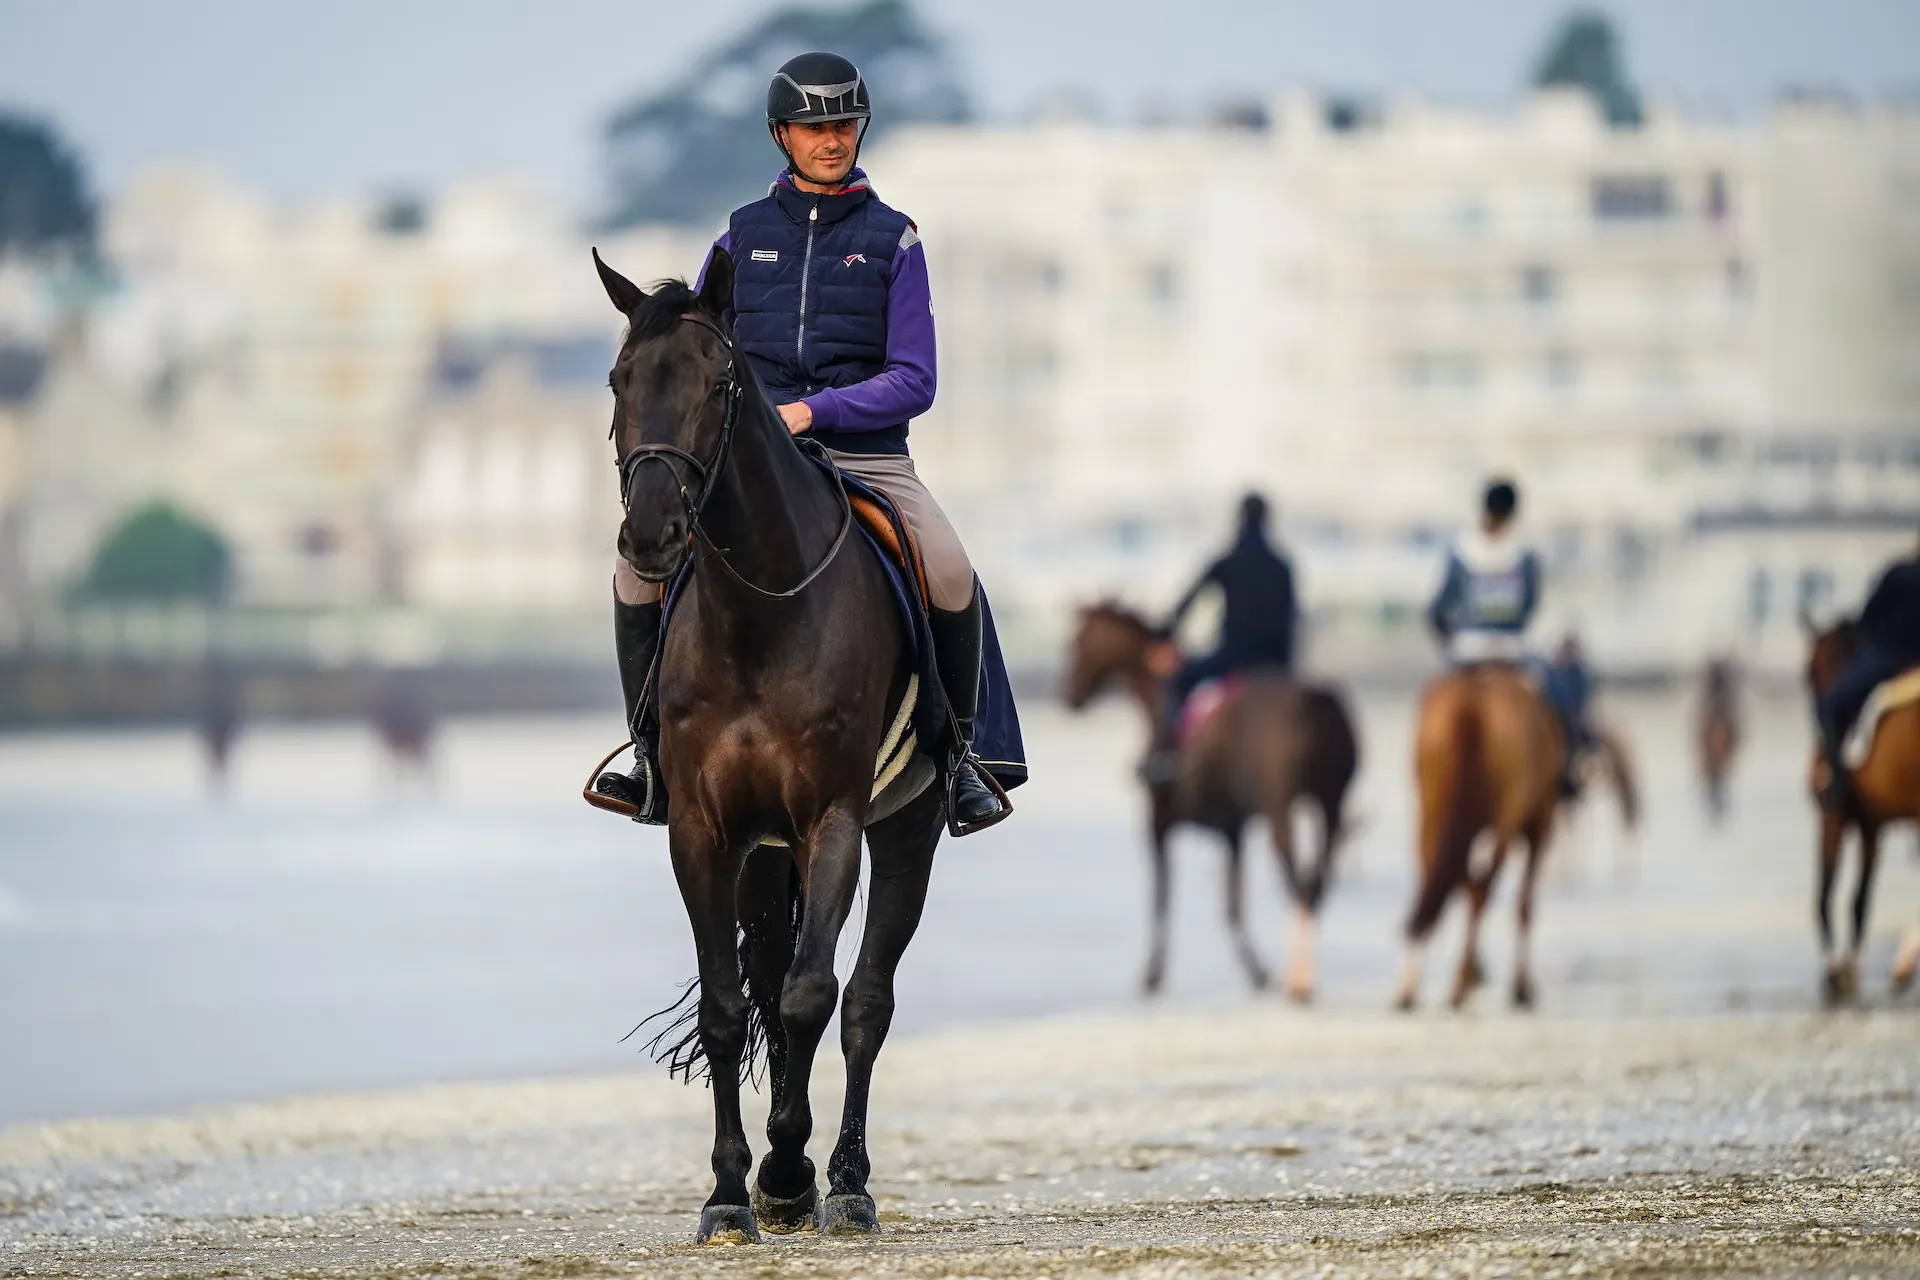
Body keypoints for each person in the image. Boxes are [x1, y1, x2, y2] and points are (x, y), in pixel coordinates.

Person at [596, 51, 1010, 833]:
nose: (833, 139)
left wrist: (813, 413)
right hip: (747, 464)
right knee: (631, 569)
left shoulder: (896, 240)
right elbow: (694, 355)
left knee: (951, 570)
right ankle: (649, 756)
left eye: (845, 124)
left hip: (864, 454)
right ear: (782, 134)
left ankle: (959, 760)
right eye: (816, 126)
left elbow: (915, 379)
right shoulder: (737, 237)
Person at [1426, 478, 1584, 796]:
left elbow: (1438, 608)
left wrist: (1449, 640)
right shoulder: (1523, 555)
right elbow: (1529, 607)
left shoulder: (1459, 551)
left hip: (1465, 653)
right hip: (1512, 652)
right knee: (1561, 694)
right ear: (1513, 513)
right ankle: (1567, 769)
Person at [1144, 492, 1297, 779]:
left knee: (1179, 681)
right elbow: (1293, 618)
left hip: (1236, 656)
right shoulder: (1283, 565)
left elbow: (1188, 602)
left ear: (1239, 520)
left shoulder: (1228, 561)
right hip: (1278, 663)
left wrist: (1164, 632)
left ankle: (1168, 757)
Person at [1816, 534, 1920, 811]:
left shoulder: (1899, 574)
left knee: (1832, 703)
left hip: (1890, 657)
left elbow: (1869, 619)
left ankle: (1838, 781)